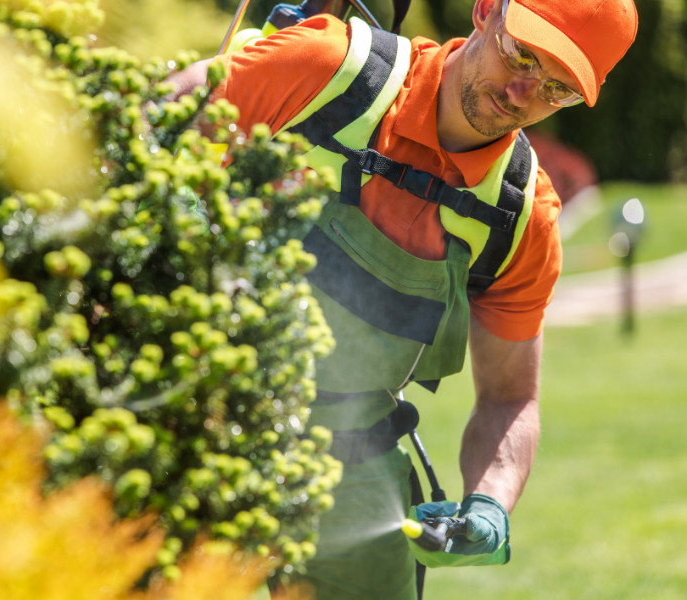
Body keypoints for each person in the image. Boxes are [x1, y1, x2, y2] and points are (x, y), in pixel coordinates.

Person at [167, 0, 638, 598]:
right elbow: (138, 137)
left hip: (351, 458)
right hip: (185, 408)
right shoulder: (323, 68)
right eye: (521, 54)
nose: (522, 93)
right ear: (486, 11)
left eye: (557, 88)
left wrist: (489, 505)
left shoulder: (520, 214)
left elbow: (509, 398)